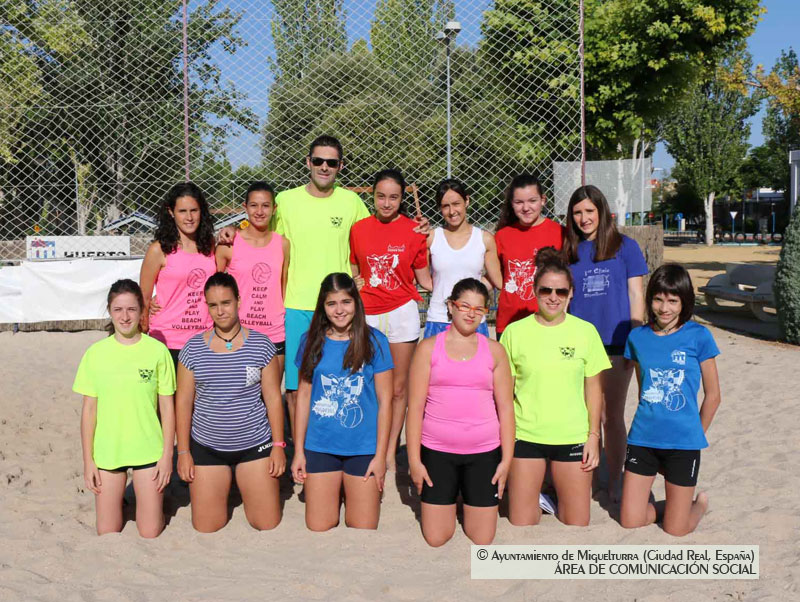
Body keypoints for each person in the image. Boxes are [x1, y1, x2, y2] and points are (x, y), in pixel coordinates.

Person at [501, 249, 610, 526]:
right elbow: (504, 394)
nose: (553, 297)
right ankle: (537, 497)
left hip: (572, 436)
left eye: (561, 291)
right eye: (546, 290)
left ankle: (552, 494)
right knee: (521, 522)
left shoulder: (586, 332)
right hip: (526, 435)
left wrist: (593, 436)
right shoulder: (514, 332)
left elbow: (594, 390)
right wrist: (504, 439)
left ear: (570, 293)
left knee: (577, 522)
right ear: (534, 291)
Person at [406, 278, 514, 546]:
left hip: (484, 452)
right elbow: (415, 408)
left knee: (482, 537)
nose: (471, 314)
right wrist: (415, 462)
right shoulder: (428, 348)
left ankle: (469, 495)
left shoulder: (495, 351)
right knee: (437, 537)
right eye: (465, 306)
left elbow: (506, 409)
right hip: (437, 451)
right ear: (451, 306)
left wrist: (506, 461)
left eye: (479, 309)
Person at [175, 272, 286, 532]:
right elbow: (184, 402)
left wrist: (279, 445)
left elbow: (272, 398)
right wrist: (183, 452)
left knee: (266, 523)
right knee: (207, 527)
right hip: (207, 446)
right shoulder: (192, 349)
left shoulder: (262, 345)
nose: (220, 311)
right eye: (213, 305)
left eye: (226, 303)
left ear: (238, 300)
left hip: (255, 444)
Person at [620, 264, 721, 536]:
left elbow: (713, 395)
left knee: (676, 530)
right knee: (630, 520)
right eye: (658, 299)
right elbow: (644, 390)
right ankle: (676, 505)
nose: (664, 308)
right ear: (650, 299)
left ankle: (697, 505)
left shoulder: (699, 336)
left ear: (684, 302)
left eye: (673, 301)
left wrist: (695, 435)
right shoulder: (637, 337)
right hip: (643, 440)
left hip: (683, 443)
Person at [291, 273, 393, 531]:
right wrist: (299, 451)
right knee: (319, 525)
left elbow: (385, 401)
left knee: (362, 526)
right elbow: (303, 396)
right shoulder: (310, 340)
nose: (339, 310)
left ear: (356, 302)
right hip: (321, 444)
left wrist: (380, 456)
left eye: (346, 302)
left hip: (363, 447)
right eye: (331, 303)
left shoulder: (375, 341)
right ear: (323, 307)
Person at [564, 184, 647, 502]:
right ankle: (591, 478)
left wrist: (634, 341)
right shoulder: (569, 251)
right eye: (577, 212)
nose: (584, 218)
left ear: (602, 211)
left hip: (615, 343)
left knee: (611, 416)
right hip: (580, 346)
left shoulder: (625, 247)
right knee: (587, 416)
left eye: (589, 211)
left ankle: (615, 478)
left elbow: (636, 295)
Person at [74, 279, 175, 537]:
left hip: (148, 450)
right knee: (107, 531)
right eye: (118, 309)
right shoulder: (95, 354)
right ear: (110, 311)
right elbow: (89, 412)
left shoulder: (157, 351)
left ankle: (150, 505)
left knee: (150, 532)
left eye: (131, 309)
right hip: (109, 451)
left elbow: (167, 409)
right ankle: (121, 500)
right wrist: (88, 461)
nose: (125, 316)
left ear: (142, 311)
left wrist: (166, 457)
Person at [349, 169, 431, 471]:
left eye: (393, 197)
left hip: (401, 313)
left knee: (398, 388)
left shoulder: (415, 230)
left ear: (401, 198)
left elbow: (425, 278)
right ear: (372, 196)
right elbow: (355, 270)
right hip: (368, 313)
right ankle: (368, 444)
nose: (386, 203)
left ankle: (389, 450)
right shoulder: (358, 229)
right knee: (366, 383)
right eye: (381, 196)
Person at [216, 181, 290, 377]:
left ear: (274, 209)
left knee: (271, 391)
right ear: (245, 207)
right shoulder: (228, 244)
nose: (259, 211)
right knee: (238, 390)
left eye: (265, 205)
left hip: (273, 331)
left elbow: (283, 286)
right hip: (239, 331)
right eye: (254, 205)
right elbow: (214, 290)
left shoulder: (282, 244)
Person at [140, 182, 217, 367]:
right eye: (182, 211)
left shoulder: (211, 246)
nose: (189, 217)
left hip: (204, 340)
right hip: (167, 340)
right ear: (171, 212)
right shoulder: (159, 250)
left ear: (201, 211)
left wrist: (234, 230)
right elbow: (143, 299)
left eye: (194, 210)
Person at [424, 179, 502, 339]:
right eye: (445, 206)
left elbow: (496, 279)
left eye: (456, 204)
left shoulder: (484, 239)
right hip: (439, 318)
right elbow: (423, 278)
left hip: (473, 318)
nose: (452, 211)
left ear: (467, 201)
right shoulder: (431, 238)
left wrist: (472, 292)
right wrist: (442, 288)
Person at [494, 174, 564, 338]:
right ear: (511, 203)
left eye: (532, 201)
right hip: (510, 323)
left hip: (548, 321)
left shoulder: (560, 233)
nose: (526, 208)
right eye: (519, 202)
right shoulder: (502, 236)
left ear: (543, 200)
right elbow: (494, 277)